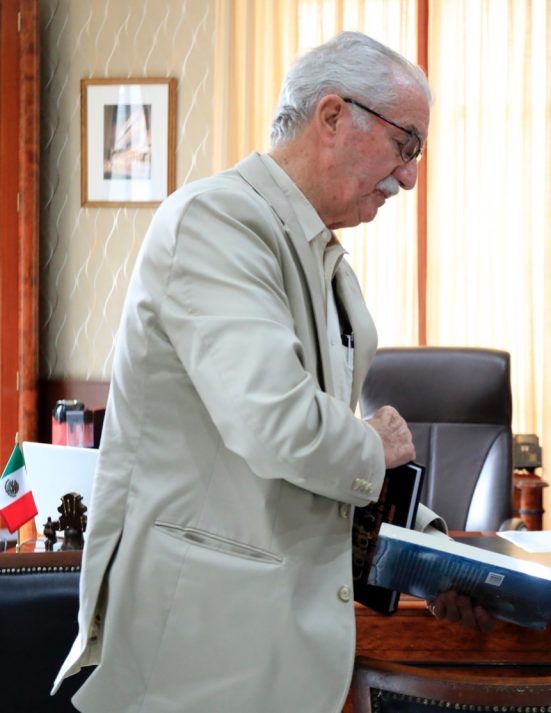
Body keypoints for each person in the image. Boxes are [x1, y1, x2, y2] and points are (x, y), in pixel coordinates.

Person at [53, 32, 491, 713]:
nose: (409, 177)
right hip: (201, 658)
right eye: (406, 144)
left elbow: (320, 466)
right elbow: (278, 424)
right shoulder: (215, 222)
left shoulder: (322, 258)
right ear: (333, 116)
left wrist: (430, 552)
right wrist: (372, 443)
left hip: (274, 649)